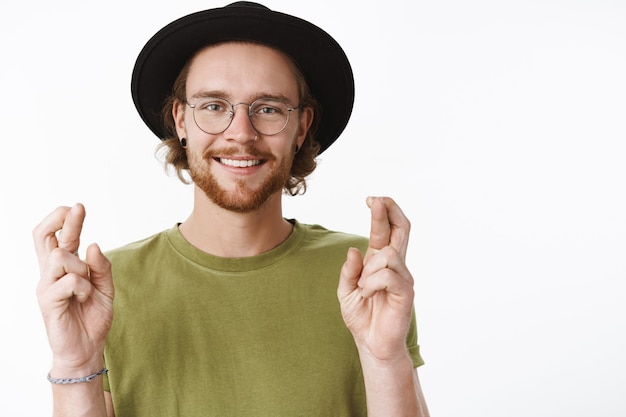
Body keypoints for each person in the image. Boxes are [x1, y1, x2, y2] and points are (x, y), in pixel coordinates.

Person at [33, 2, 429, 416]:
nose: (241, 133)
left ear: (302, 127)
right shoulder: (106, 287)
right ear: (181, 120)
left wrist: (386, 360)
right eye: (214, 106)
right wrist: (74, 364)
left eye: (269, 109)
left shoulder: (367, 277)